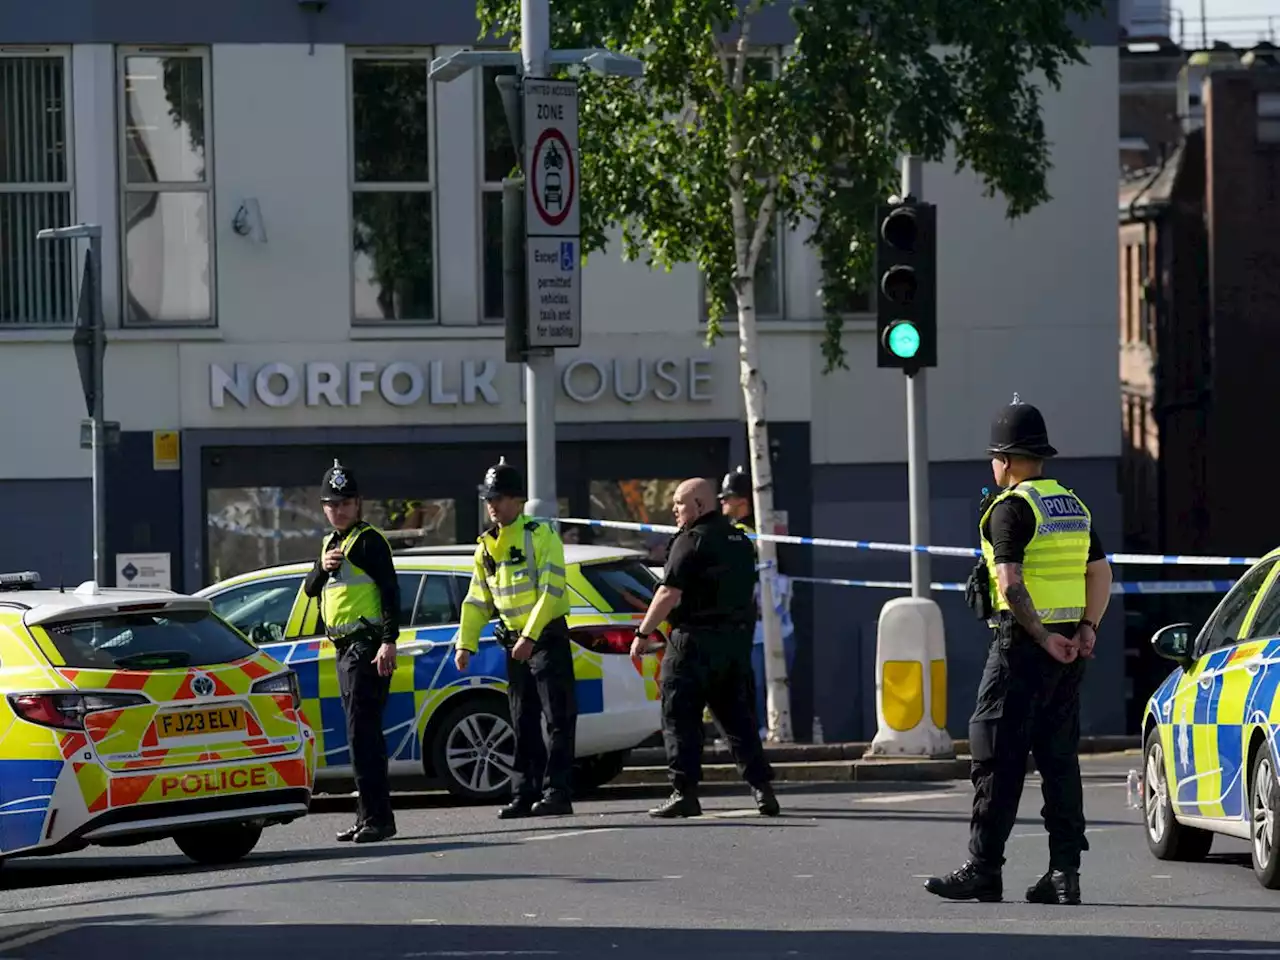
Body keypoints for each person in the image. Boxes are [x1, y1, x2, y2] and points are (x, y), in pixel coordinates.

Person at [925, 397, 1113, 905]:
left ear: (1004, 460)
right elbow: (1100, 573)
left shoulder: (1009, 508)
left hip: (1023, 648)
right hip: (1071, 649)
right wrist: (1087, 629)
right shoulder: (1072, 505)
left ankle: (984, 868)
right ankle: (1063, 874)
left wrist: (1039, 634)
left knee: (994, 752)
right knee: (1058, 759)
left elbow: (1009, 582)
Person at [631, 477, 780, 819]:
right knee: (738, 721)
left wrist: (643, 633)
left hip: (693, 644)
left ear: (699, 505)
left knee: (680, 717)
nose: (674, 511)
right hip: (734, 645)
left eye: (680, 504)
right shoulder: (740, 541)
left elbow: (669, 593)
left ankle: (684, 793)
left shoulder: (691, 540)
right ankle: (762, 790)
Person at [455, 458, 578, 819]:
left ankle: (558, 792)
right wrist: (466, 643)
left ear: (519, 500)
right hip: (514, 641)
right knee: (521, 719)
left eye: (501, 498)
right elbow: (477, 600)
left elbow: (552, 589)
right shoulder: (486, 546)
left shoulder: (541, 534)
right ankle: (525, 792)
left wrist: (530, 635)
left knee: (558, 719)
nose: (493, 505)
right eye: (489, 499)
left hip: (545, 637)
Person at [303, 459, 401, 844]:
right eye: (331, 503)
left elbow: (391, 593)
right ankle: (367, 816)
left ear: (358, 503)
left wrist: (390, 641)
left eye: (345, 502)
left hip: (367, 647)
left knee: (365, 735)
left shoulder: (368, 541)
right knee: (357, 736)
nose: (338, 509)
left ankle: (379, 818)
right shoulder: (330, 544)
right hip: (344, 651)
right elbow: (310, 589)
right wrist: (322, 567)